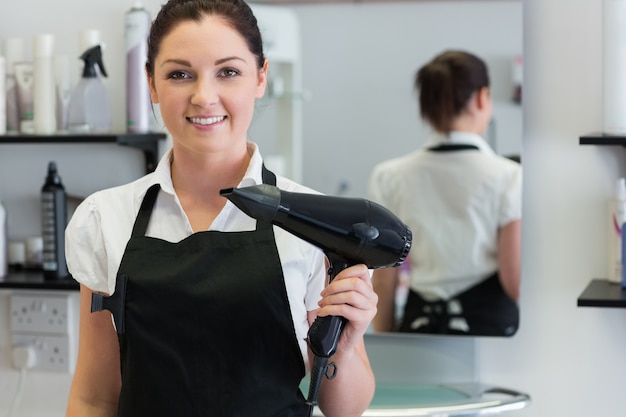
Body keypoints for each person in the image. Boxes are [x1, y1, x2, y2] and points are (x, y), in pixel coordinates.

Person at [64, 1, 377, 416]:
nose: (203, 96)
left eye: (228, 72)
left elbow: (345, 409)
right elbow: (94, 396)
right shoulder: (106, 218)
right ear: (152, 85)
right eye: (179, 74)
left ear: (260, 77)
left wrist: (347, 343)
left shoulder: (318, 225)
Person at [368, 50, 521, 337]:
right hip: (492, 337)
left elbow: (384, 282)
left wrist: (389, 345)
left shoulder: (389, 176)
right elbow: (515, 281)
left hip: (417, 331)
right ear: (481, 98)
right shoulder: (510, 176)